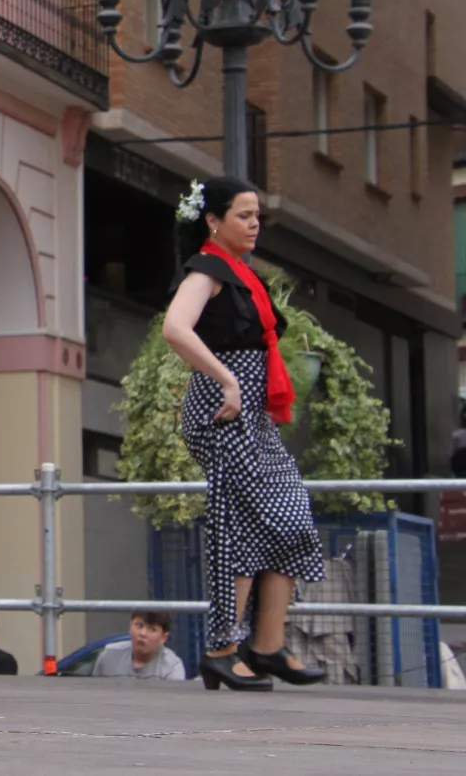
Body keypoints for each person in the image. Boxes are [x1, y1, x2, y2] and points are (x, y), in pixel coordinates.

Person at [163, 176, 327, 692]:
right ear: (214, 221)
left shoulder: (241, 273)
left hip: (249, 414)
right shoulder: (206, 270)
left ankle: (267, 646)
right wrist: (227, 379)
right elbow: (175, 328)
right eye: (243, 215)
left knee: (290, 515)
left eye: (257, 216)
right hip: (223, 411)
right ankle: (220, 650)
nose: (255, 224)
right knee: (238, 529)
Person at [92, 611, 187, 681]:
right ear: (130, 626)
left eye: (152, 629)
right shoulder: (109, 656)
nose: (143, 633)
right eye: (139, 626)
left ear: (164, 637)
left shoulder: (172, 667)